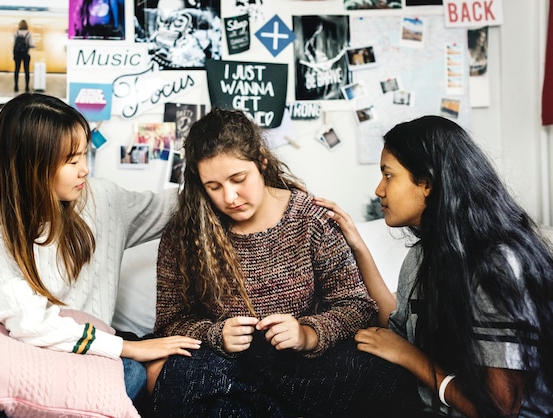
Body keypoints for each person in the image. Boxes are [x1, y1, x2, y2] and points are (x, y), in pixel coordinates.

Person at [147, 107, 419, 417]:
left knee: (384, 375)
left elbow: (357, 306)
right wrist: (216, 334)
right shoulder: (184, 232)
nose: (230, 197)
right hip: (228, 368)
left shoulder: (309, 218)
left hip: (305, 367)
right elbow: (170, 322)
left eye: (239, 179)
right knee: (175, 376)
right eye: (214, 187)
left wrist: (308, 333)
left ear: (261, 162)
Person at [0, 93, 200, 417]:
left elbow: (171, 207)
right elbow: (33, 325)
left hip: (80, 359)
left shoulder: (102, 199)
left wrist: (225, 180)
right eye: (71, 160)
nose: (85, 170)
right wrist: (130, 347)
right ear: (30, 165)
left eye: (84, 156)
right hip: (18, 358)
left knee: (130, 375)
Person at [315, 115, 553, 417]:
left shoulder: (497, 264)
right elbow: (396, 327)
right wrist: (359, 247)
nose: (379, 190)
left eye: (388, 175)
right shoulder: (422, 256)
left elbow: (499, 409)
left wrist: (409, 357)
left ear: (426, 183)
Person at [12, 19, 35, 93]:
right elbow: (31, 44)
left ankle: (16, 86)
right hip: (26, 54)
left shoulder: (16, 33)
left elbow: (14, 44)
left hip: (17, 54)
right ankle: (27, 87)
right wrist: (33, 46)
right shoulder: (28, 34)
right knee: (26, 71)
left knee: (16, 70)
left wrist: (14, 54)